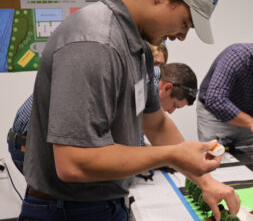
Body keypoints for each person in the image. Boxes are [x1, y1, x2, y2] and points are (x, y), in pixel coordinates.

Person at [16, 0, 240, 221]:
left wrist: (206, 180)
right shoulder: (96, 42)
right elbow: (74, 162)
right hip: (75, 215)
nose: (182, 36)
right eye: (185, 23)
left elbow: (155, 123)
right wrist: (173, 156)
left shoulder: (134, 44)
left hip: (100, 206)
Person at [7, 42, 171, 174]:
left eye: (161, 65)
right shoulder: (145, 73)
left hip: (26, 141)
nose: (158, 68)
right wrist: (165, 158)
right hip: (33, 146)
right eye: (156, 64)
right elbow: (134, 146)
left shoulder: (111, 65)